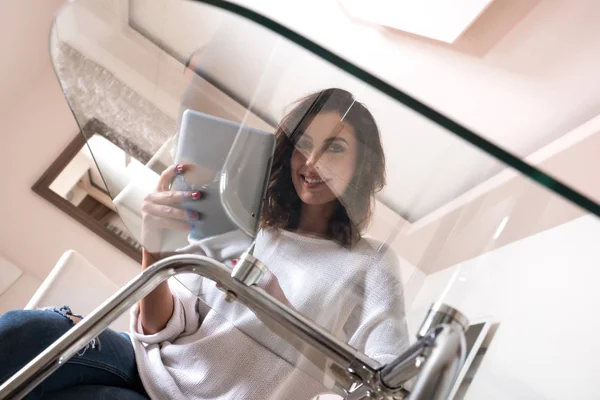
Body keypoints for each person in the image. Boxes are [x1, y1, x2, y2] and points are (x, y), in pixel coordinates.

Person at [0, 88, 407, 399]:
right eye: (303, 144)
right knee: (29, 330)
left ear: (361, 165)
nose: (312, 162)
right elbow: (163, 327)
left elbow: (384, 380)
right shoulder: (243, 218)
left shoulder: (370, 262)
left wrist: (276, 306)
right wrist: (155, 248)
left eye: (334, 147)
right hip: (147, 367)